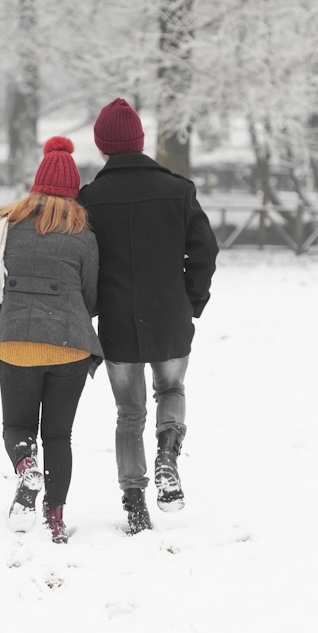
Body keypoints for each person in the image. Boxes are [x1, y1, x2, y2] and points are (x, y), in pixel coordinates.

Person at [78, 98, 218, 534]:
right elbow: (205, 251)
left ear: (103, 146)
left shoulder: (90, 199)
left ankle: (134, 501)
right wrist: (190, 301)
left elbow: (85, 262)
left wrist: (94, 307)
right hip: (171, 316)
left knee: (128, 412)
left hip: (118, 323)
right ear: (140, 141)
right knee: (172, 387)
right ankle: (168, 455)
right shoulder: (178, 190)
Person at [0, 137, 103, 543]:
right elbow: (91, 296)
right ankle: (55, 519)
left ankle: (26, 466)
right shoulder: (83, 235)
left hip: (15, 339)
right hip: (70, 344)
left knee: (16, 424)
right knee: (59, 436)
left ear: (36, 182)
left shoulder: (3, 224)